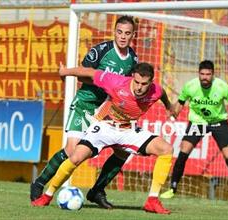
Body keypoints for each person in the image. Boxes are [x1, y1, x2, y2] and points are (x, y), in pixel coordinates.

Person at [32, 62, 174, 214]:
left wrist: (169, 106)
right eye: (137, 82)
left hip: (128, 129)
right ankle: (47, 196)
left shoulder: (155, 90)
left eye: (144, 84)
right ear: (132, 77)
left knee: (166, 149)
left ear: (151, 82)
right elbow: (90, 72)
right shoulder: (116, 82)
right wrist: (65, 71)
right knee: (75, 158)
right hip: (104, 126)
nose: (139, 87)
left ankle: (152, 201)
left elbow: (162, 93)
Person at [30, 15, 138, 209]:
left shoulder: (133, 58)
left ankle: (97, 190)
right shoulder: (101, 51)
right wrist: (105, 84)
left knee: (123, 151)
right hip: (86, 104)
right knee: (72, 150)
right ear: (114, 32)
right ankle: (39, 183)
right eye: (119, 32)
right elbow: (84, 73)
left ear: (133, 35)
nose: (122, 36)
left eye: (127, 33)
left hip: (107, 110)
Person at [160, 60, 228, 204]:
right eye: (202, 74)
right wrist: (172, 119)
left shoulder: (221, 86)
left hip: (218, 123)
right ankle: (172, 189)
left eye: (208, 74)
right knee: (183, 153)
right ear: (199, 74)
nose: (205, 77)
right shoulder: (190, 86)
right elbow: (180, 104)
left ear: (213, 74)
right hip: (198, 123)